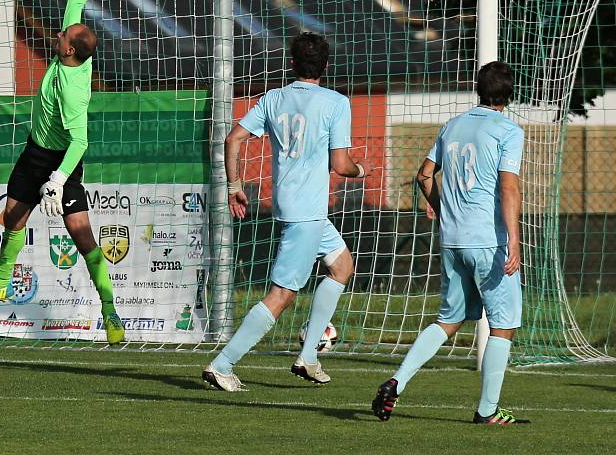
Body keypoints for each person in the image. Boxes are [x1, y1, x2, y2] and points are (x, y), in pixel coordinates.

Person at [0, 0, 125, 346]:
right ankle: (0, 283)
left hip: (62, 162)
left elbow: (81, 141)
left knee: (81, 233)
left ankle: (109, 311)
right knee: (13, 217)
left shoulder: (75, 91)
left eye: (63, 36)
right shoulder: (72, 51)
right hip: (35, 151)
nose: (58, 33)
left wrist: (57, 180)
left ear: (70, 50)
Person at [202, 32, 371, 391]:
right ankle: (222, 363)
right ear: (325, 66)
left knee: (342, 267)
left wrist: (234, 188)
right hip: (306, 213)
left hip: (293, 206)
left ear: (292, 64)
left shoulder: (274, 98)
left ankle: (308, 356)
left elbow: (233, 139)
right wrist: (361, 170)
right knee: (282, 295)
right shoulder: (336, 102)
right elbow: (341, 165)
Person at [372, 61, 527, 424]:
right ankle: (487, 411)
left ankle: (397, 380)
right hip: (489, 242)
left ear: (478, 89)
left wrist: (441, 209)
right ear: (509, 94)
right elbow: (508, 186)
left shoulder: (452, 126)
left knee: (450, 319)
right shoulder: (508, 130)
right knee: (503, 325)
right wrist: (514, 239)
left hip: (453, 241)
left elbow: (424, 176)